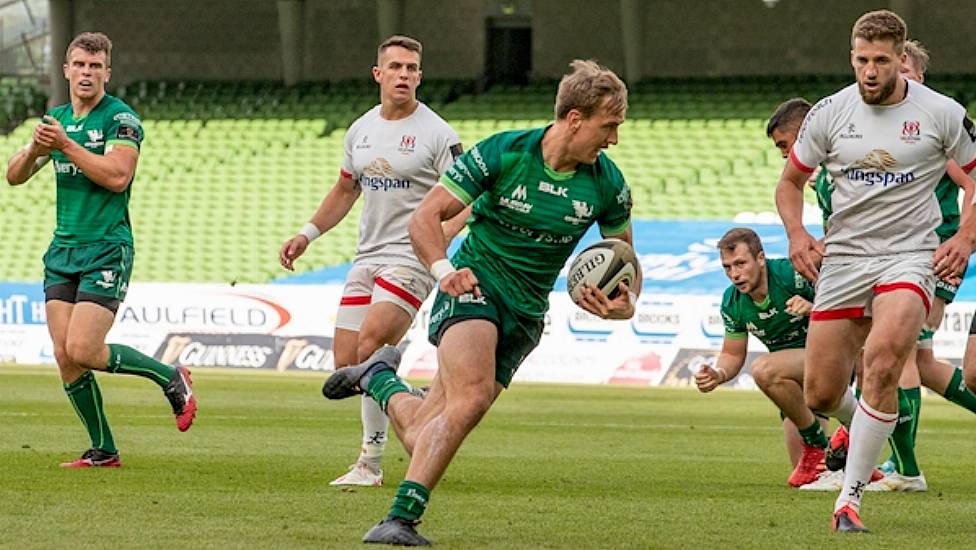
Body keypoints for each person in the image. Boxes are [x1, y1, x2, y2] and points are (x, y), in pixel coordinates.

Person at [323, 59, 636, 546]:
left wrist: (624, 305)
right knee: (468, 400)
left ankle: (377, 377)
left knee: (426, 428)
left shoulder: (608, 184)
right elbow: (426, 218)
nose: (613, 139)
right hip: (474, 285)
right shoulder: (505, 153)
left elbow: (625, 262)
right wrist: (445, 272)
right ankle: (400, 520)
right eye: (609, 126)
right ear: (575, 118)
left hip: (527, 312)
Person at [775, 10, 976, 533]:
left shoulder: (941, 113)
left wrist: (964, 236)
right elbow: (790, 183)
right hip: (844, 259)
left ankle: (849, 499)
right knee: (819, 393)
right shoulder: (829, 113)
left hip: (909, 256)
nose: (869, 70)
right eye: (861, 59)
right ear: (852, 56)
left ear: (900, 58)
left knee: (886, 361)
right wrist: (798, 235)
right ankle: (871, 426)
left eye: (881, 61)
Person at [278, 35, 465, 487]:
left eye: (412, 68)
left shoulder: (438, 133)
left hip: (411, 255)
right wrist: (308, 234)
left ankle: (370, 463)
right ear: (378, 74)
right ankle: (410, 399)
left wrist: (437, 240)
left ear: (420, 75)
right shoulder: (360, 130)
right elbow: (346, 189)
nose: (404, 74)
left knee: (372, 346)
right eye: (396, 67)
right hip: (368, 255)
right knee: (348, 366)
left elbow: (467, 198)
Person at [4, 32, 196, 468]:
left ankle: (170, 376)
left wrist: (67, 146)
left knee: (85, 350)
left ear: (107, 72)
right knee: (63, 354)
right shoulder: (54, 120)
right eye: (80, 65)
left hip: (106, 247)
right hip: (63, 250)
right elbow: (14, 175)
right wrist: (36, 146)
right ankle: (104, 449)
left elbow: (117, 176)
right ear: (66, 70)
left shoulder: (120, 120)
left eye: (95, 66)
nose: (87, 73)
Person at [695, 227, 843, 488]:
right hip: (793, 377)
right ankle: (841, 461)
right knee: (808, 476)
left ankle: (819, 444)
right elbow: (731, 353)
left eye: (740, 263)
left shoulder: (792, 274)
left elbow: (847, 309)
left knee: (763, 369)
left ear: (760, 258)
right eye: (727, 267)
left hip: (834, 359)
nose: (734, 274)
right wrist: (718, 374)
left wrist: (814, 309)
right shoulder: (732, 302)